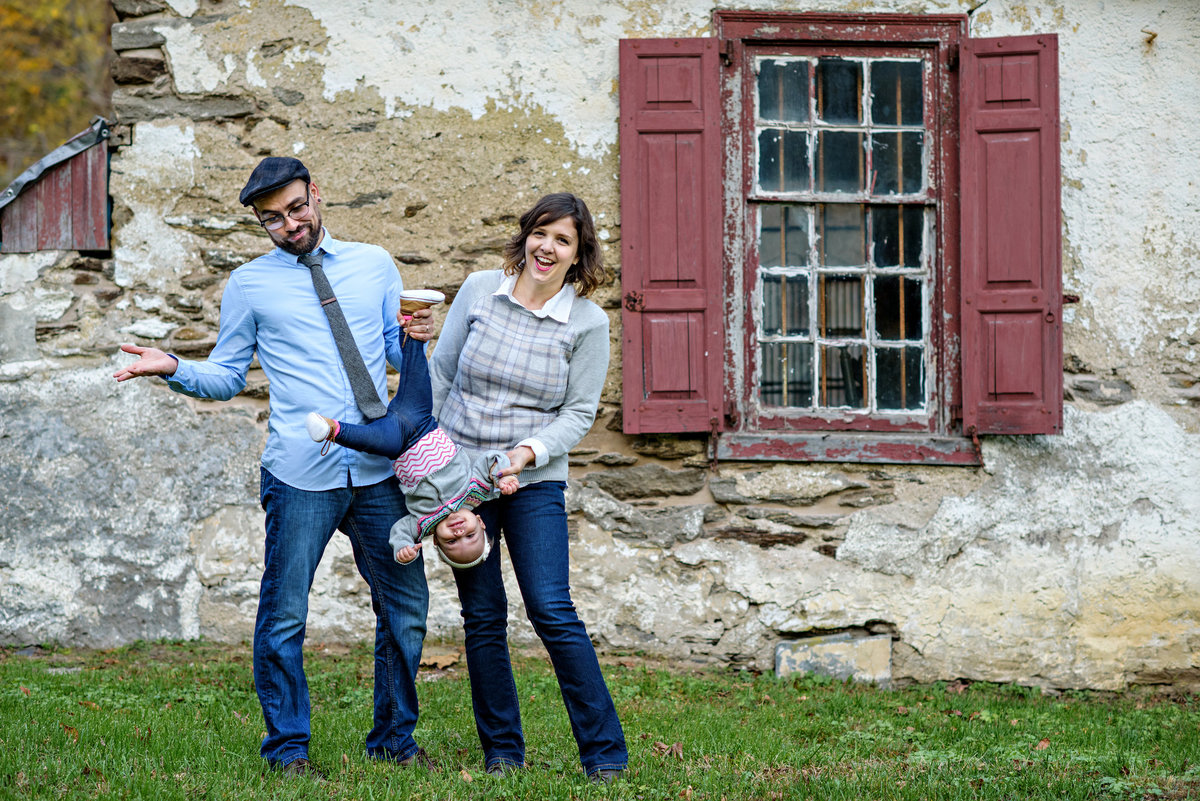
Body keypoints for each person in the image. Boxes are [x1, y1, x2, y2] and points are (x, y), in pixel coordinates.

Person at [112, 157, 435, 778]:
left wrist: (419, 333)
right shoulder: (250, 285)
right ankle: (288, 749)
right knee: (285, 612)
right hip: (300, 473)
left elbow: (395, 355)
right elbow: (229, 374)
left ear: (317, 193)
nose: (289, 224)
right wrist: (174, 366)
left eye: (296, 208)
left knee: (406, 605)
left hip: (376, 476)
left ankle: (394, 739)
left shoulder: (375, 264)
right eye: (272, 220)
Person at [428, 192, 628, 784]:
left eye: (563, 240)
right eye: (541, 233)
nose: (548, 247)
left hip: (533, 481)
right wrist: (433, 468)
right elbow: (441, 375)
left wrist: (523, 454)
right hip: (461, 479)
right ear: (526, 238)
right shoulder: (477, 289)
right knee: (483, 614)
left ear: (577, 255)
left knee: (550, 606)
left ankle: (604, 754)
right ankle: (502, 753)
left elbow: (578, 413)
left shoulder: (588, 323)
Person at [305, 298, 520, 569]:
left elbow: (400, 532)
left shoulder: (422, 523)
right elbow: (491, 459)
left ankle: (332, 429)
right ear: (479, 521)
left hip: (398, 444)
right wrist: (504, 476)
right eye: (470, 534)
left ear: (435, 541)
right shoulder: (478, 492)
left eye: (452, 542)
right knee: (417, 373)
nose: (458, 532)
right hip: (422, 422)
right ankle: (413, 316)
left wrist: (403, 549)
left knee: (371, 441)